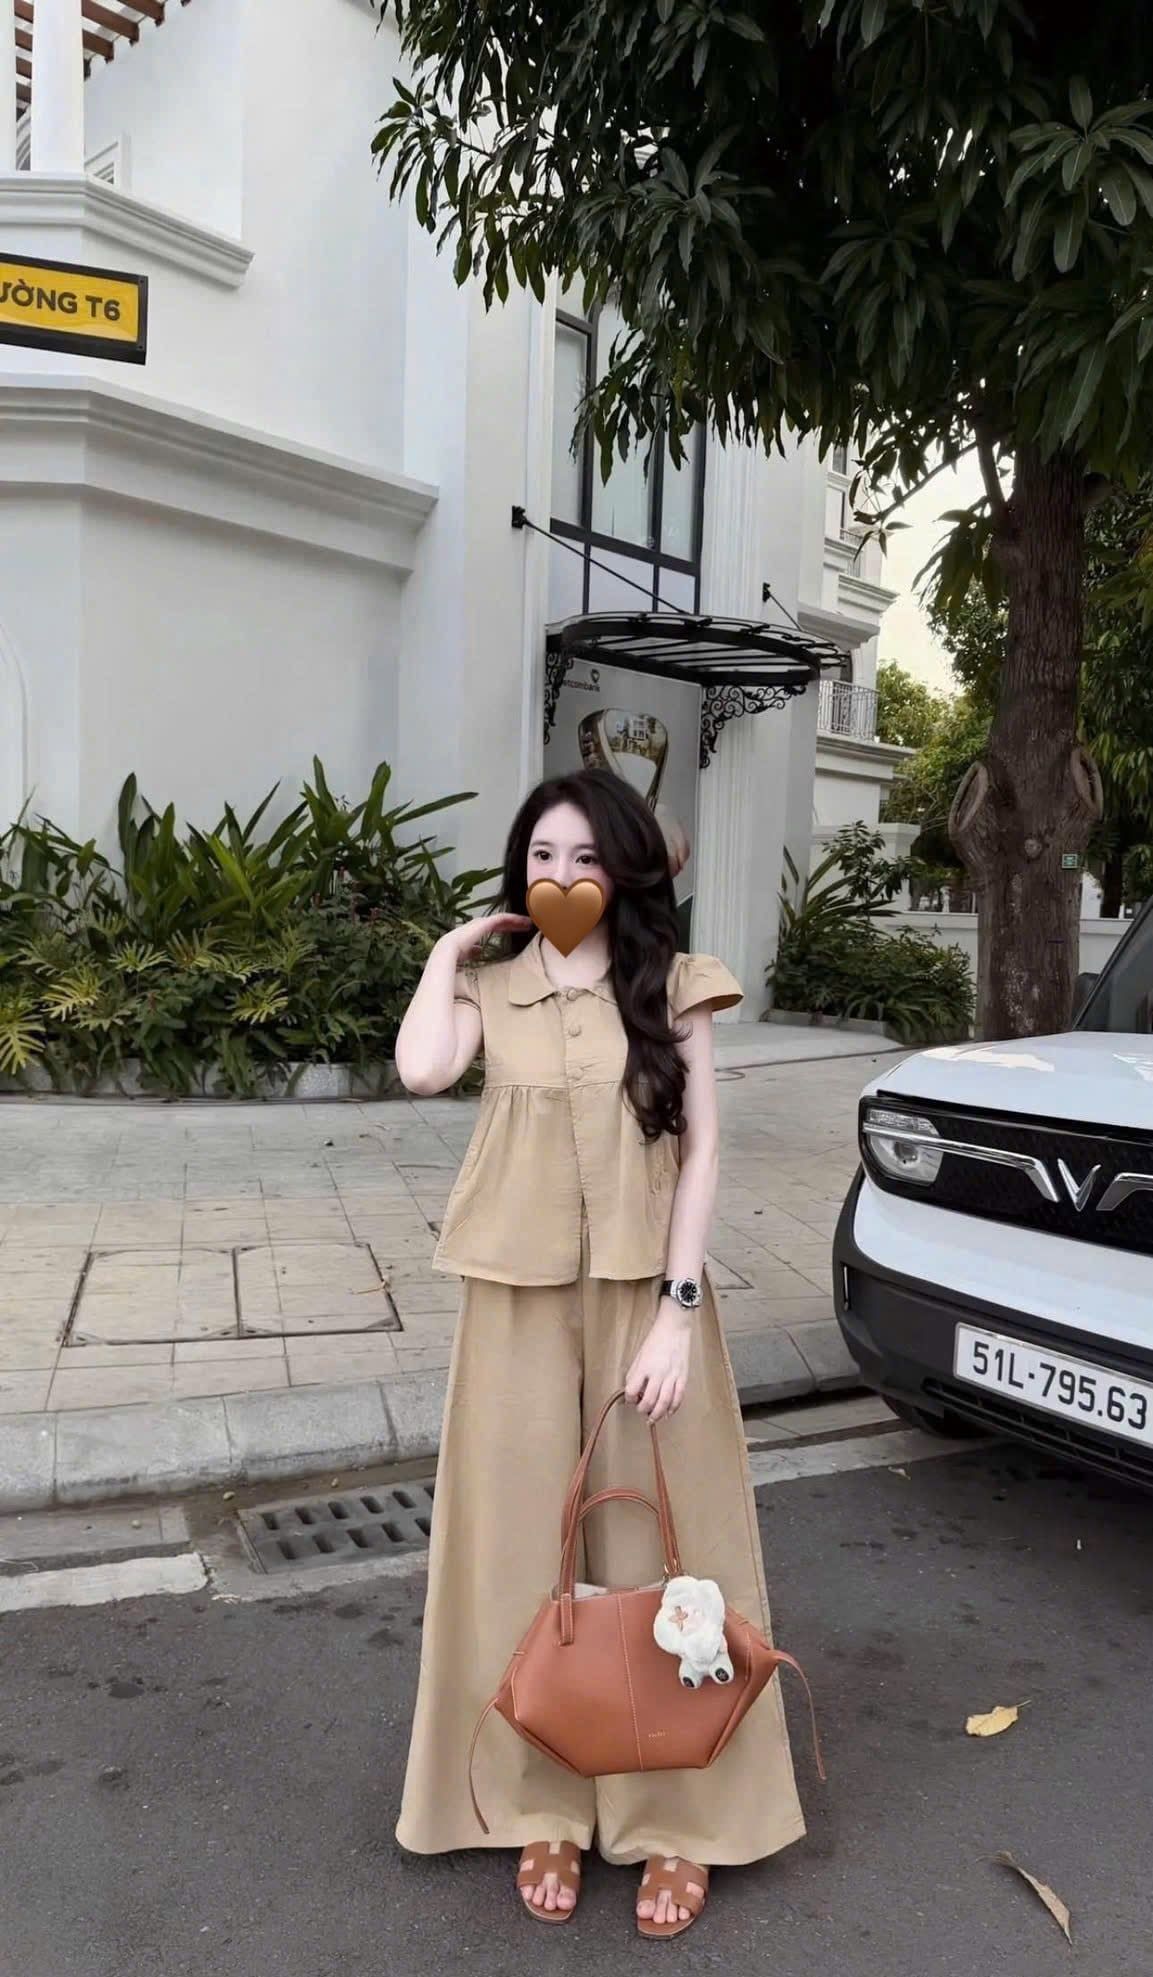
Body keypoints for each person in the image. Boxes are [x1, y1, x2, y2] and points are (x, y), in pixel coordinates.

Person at [393, 767, 806, 1939]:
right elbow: (421, 1069)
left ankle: (683, 1819)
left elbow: (703, 1150)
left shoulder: (672, 984)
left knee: (669, 1551)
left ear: (622, 869)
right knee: (515, 1553)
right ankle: (543, 1805)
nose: (561, 876)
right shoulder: (491, 986)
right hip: (513, 1303)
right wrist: (445, 955)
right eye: (542, 856)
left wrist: (676, 1309)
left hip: (644, 1302)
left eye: (583, 857)